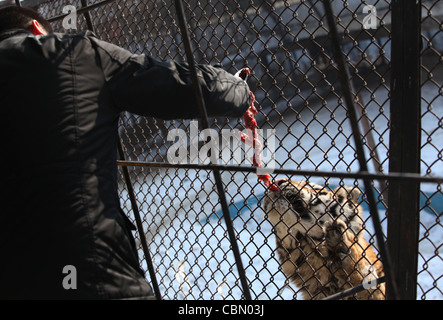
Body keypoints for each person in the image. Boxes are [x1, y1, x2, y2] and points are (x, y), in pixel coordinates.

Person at [0, 6, 251, 299]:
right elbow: (177, 85)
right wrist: (239, 89)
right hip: (97, 277)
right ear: (36, 29)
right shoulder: (74, 52)